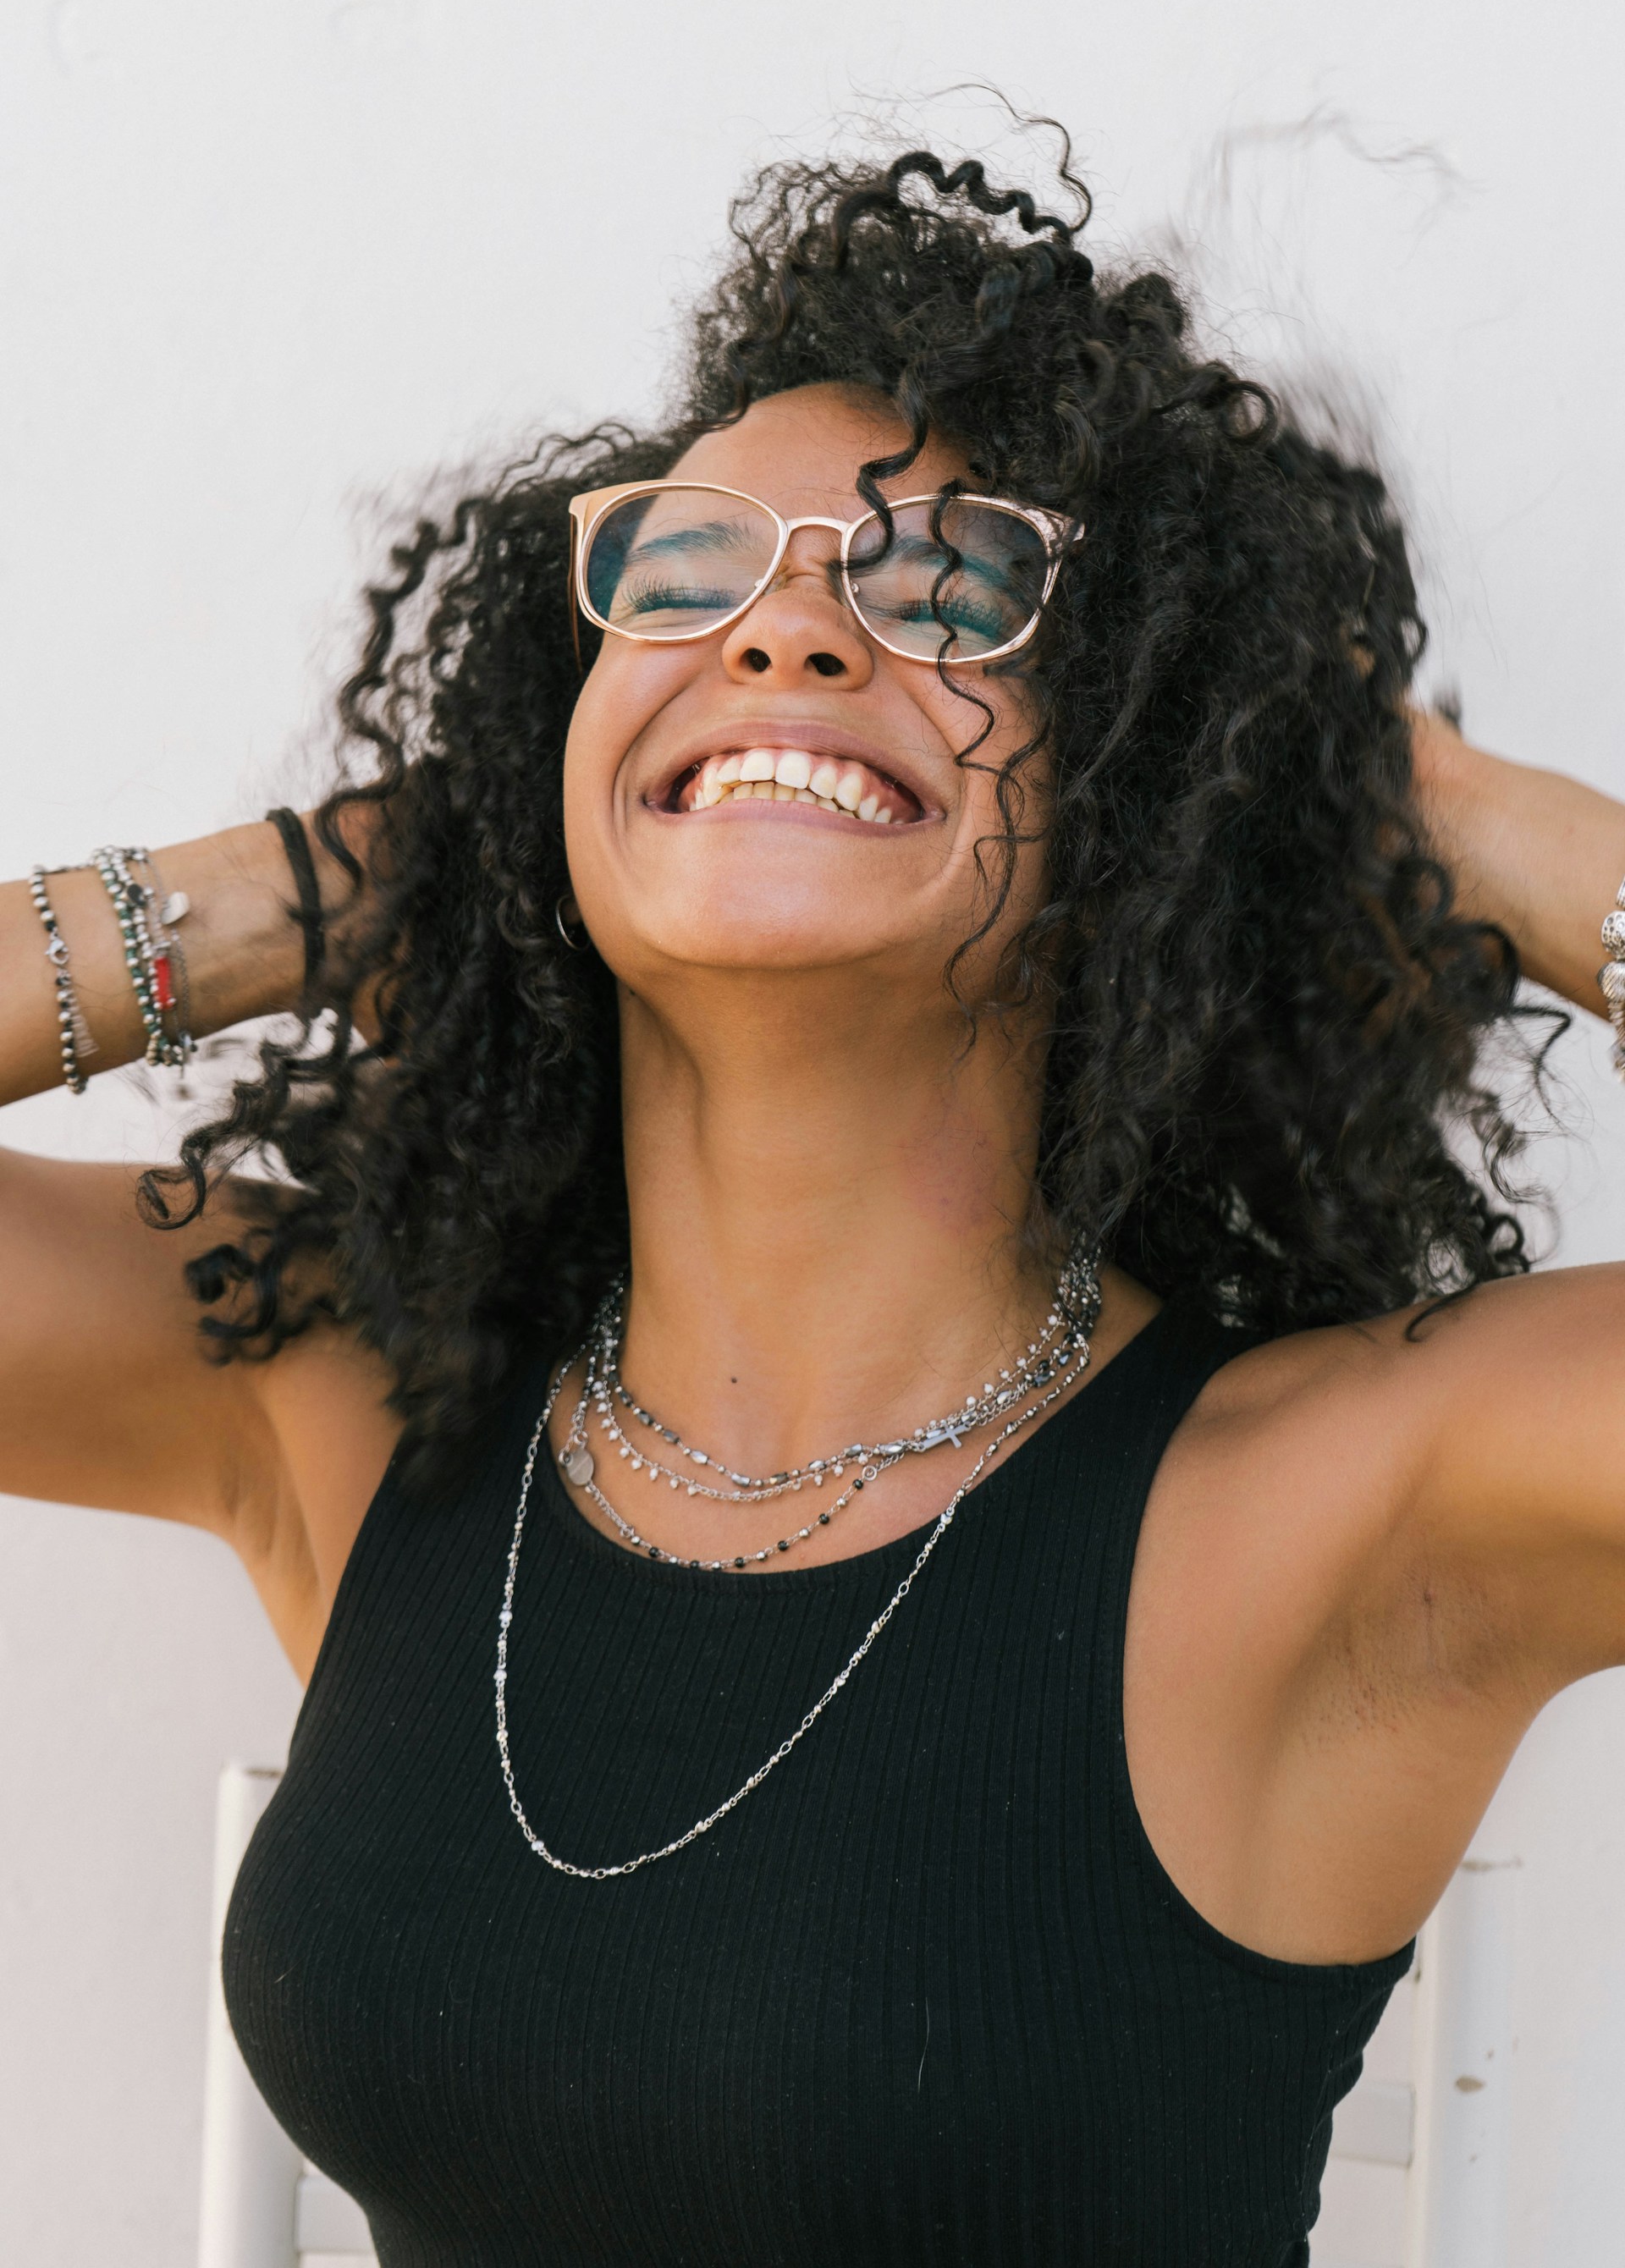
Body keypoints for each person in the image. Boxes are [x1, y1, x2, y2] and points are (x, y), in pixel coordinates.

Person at [3, 140, 1624, 2268]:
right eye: (683, 577)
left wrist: (1449, 821)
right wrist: (320, 890)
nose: (788, 627)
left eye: (953, 590)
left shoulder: (1358, 1498)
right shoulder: (355, 1393)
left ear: (1138, 788)